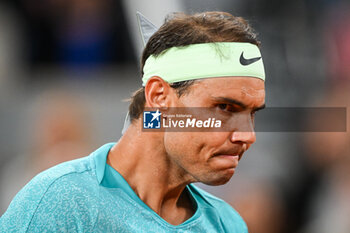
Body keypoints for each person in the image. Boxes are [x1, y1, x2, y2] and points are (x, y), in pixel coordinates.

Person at [0, 11, 266, 232]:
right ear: (159, 96)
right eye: (223, 107)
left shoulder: (227, 224)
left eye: (252, 113)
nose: (247, 135)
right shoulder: (60, 202)